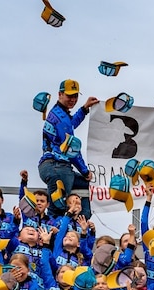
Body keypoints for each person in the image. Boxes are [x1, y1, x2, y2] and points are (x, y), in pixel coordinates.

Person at [38, 78, 99, 219]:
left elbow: (71, 124)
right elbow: (72, 150)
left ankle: (81, 221)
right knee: (57, 209)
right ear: (60, 94)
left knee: (86, 185)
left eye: (75, 96)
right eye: (69, 95)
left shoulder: (59, 113)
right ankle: (61, 235)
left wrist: (84, 109)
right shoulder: (62, 119)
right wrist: (84, 171)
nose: (73, 99)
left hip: (54, 167)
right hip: (57, 167)